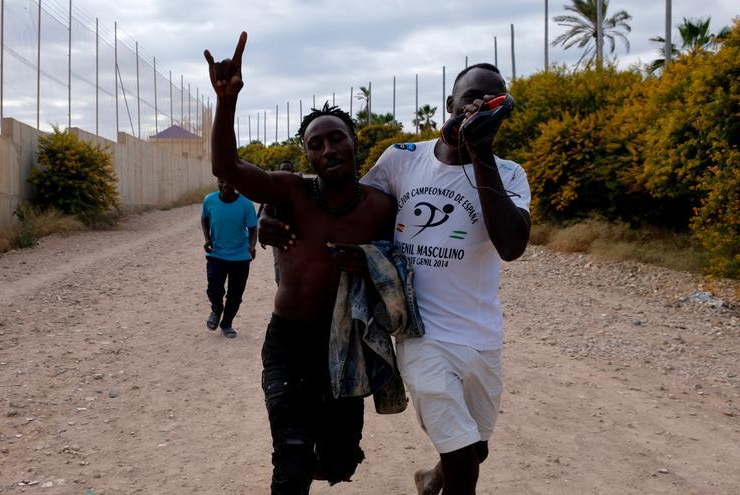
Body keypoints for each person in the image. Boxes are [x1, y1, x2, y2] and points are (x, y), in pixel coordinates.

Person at [259, 63, 531, 495]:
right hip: (418, 334)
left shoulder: (510, 173)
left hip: (481, 335)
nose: (477, 107)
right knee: (463, 460)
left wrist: (480, 154)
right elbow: (341, 198)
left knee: (474, 449)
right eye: (469, 99)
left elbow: (512, 247)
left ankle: (431, 478)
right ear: (450, 105)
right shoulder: (403, 158)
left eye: (490, 102)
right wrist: (272, 209)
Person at [204, 32, 397, 493]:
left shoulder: (380, 207)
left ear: (354, 143)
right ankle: (294, 455)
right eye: (316, 143)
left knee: (339, 461)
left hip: (344, 343)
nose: (328, 149)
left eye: (337, 138)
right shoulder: (291, 191)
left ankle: (317, 452)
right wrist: (226, 101)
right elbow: (228, 167)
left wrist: (370, 262)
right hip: (288, 343)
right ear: (306, 154)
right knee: (290, 459)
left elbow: (404, 265)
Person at [201, 177, 258, 338]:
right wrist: (207, 238)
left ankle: (227, 323)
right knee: (214, 289)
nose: (225, 184)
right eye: (221, 181)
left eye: (229, 181)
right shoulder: (209, 200)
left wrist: (251, 246)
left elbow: (253, 228)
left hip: (240, 256)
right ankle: (216, 309)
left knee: (235, 295)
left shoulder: (246, 204)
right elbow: (204, 219)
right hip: (216, 253)